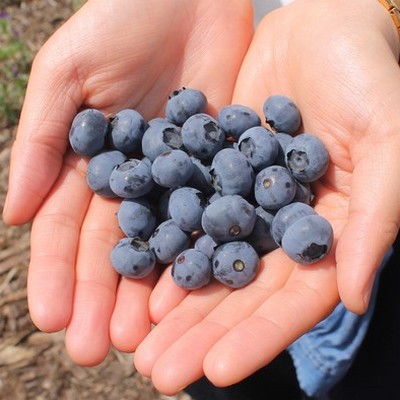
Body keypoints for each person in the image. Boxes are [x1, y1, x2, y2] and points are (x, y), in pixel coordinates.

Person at [3, 0, 400, 398]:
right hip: (209, 318)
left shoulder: (263, 174)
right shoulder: (178, 178)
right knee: (220, 366)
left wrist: (374, 9)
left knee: (361, 363)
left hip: (335, 292)